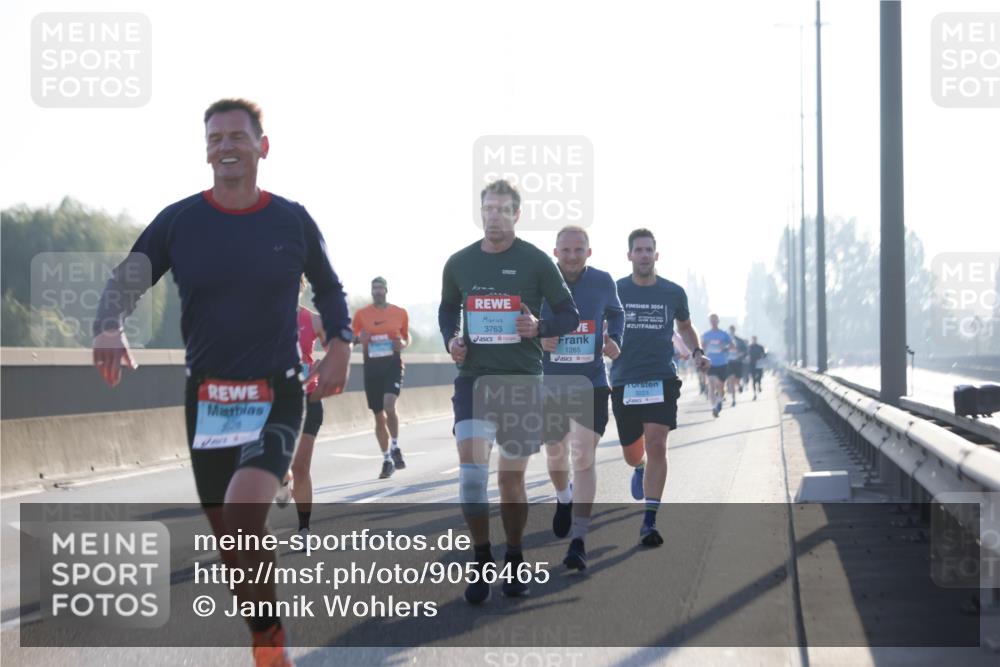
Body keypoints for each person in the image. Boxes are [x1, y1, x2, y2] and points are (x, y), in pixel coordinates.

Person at [92, 99, 353, 667]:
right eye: (214, 138)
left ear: (263, 146)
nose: (225, 146)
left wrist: (339, 342)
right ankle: (266, 633)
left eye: (237, 136)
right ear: (205, 149)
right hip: (208, 399)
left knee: (240, 516)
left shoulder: (291, 218)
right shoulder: (181, 220)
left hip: (278, 393)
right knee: (232, 543)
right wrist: (109, 325)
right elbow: (126, 280)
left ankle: (269, 651)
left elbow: (329, 288)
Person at [439, 179, 579, 602]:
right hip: (474, 381)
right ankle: (482, 557)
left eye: (502, 210)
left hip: (521, 381)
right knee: (470, 478)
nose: (494, 217)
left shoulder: (536, 262)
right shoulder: (459, 263)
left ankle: (514, 556)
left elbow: (569, 315)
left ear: (517, 215)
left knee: (509, 480)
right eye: (488, 209)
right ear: (480, 213)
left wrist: (540, 327)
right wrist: (452, 339)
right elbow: (448, 308)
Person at [610, 229, 709, 547]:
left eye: (648, 249)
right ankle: (637, 468)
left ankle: (649, 521)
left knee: (657, 445)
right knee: (632, 452)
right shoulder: (615, 290)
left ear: (656, 255)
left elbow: (684, 326)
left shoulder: (673, 292)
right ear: (629, 255)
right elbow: (599, 326)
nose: (643, 254)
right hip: (625, 379)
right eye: (638, 250)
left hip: (661, 379)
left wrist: (697, 352)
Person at [539, 225, 624, 570]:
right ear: (555, 252)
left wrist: (615, 339)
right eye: (565, 250)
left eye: (579, 250)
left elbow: (616, 314)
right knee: (556, 456)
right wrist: (539, 337)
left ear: (588, 252)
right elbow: (520, 321)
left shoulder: (603, 282)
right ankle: (563, 496)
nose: (572, 256)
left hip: (590, 382)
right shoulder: (540, 281)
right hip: (552, 385)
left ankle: (579, 539)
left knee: (584, 456)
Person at [275, 278, 327, 547]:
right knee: (281, 466)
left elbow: (340, 347)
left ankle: (304, 530)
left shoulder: (312, 320)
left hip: (309, 398)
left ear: (301, 288)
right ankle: (283, 481)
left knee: (301, 465)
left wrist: (320, 368)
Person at [352, 277, 409, 478]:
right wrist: (359, 339)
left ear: (386, 290)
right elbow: (351, 339)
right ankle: (386, 459)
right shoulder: (361, 315)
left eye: (380, 288)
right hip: (371, 369)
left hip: (392, 365)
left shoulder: (399, 313)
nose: (377, 291)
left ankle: (395, 446)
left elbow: (405, 338)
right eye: (374, 288)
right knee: (378, 417)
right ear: (371, 291)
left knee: (389, 405)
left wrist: (402, 343)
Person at [702, 314, 732, 418]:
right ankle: (714, 407)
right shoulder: (706, 335)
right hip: (710, 363)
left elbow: (732, 345)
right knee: (711, 383)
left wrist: (725, 346)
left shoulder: (724, 334)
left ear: (718, 321)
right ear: (710, 322)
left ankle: (719, 400)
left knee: (721, 386)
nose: (713, 322)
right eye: (711, 320)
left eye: (715, 320)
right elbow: (702, 347)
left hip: (722, 363)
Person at [726, 324, 749, 404]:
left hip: (738, 362)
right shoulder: (726, 340)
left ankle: (739, 386)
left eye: (733, 329)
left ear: (735, 330)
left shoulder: (739, 340)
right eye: (731, 329)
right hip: (729, 362)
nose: (732, 331)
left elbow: (746, 350)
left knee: (737, 380)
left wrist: (740, 353)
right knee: (731, 379)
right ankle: (733, 399)